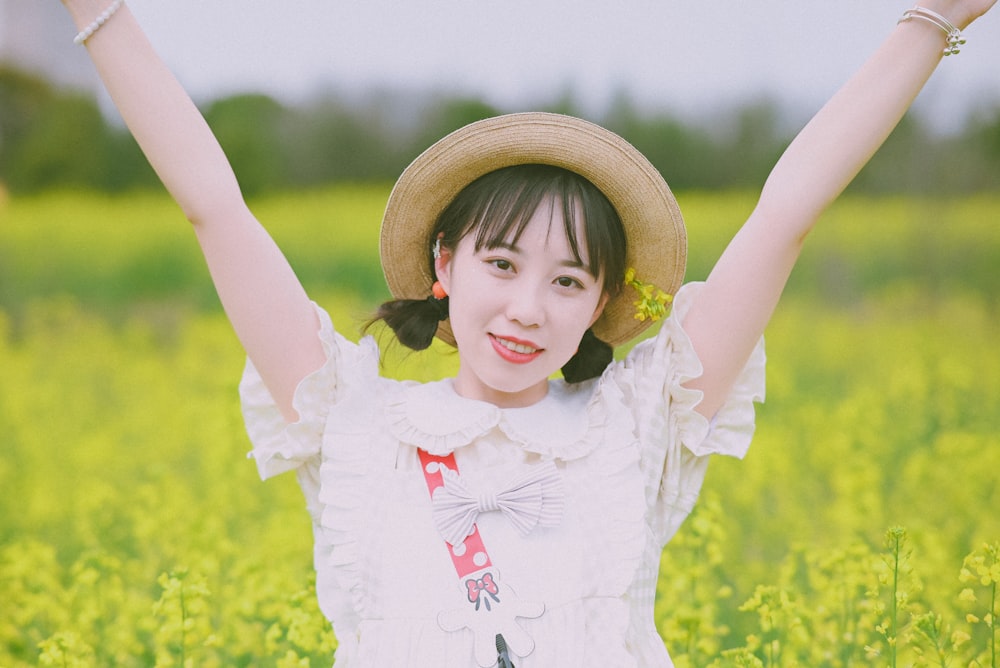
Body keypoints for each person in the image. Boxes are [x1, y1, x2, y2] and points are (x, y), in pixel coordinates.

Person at [58, 0, 996, 666]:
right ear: (444, 266)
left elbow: (785, 213)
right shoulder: (354, 422)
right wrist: (98, 12)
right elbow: (215, 209)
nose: (527, 308)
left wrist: (929, 22)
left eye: (568, 280)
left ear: (599, 305)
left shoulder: (636, 424)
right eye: (501, 265)